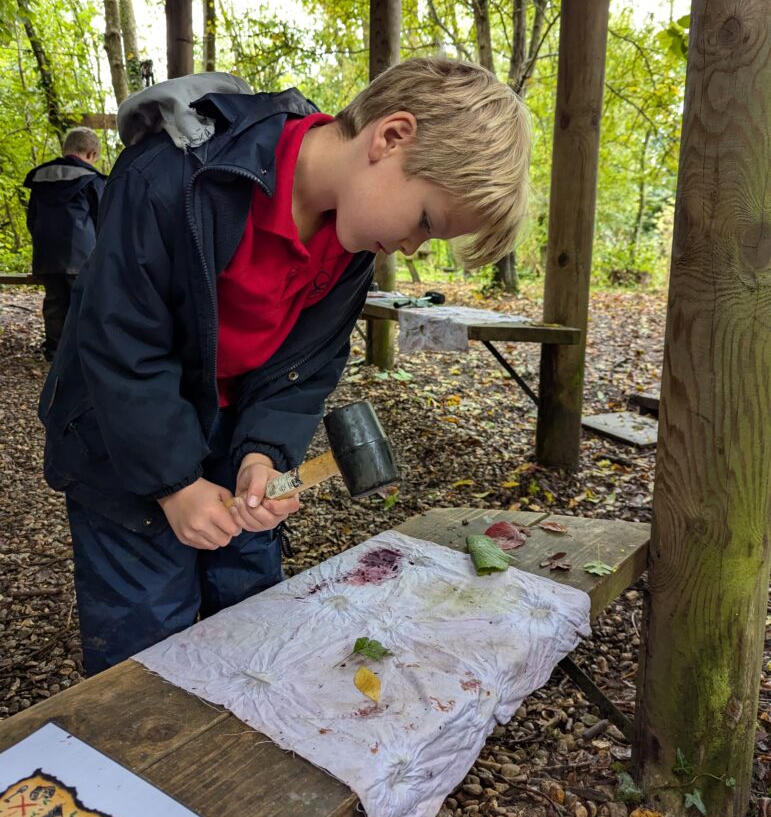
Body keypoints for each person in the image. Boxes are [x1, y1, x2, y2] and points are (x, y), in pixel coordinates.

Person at [38, 58, 532, 675]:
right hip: (120, 443)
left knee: (251, 614)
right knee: (144, 635)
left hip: (230, 426)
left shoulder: (352, 241)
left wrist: (263, 452)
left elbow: (309, 361)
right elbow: (120, 342)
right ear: (391, 136)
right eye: (426, 221)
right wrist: (175, 483)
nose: (412, 247)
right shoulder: (174, 177)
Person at [24, 127, 107, 361]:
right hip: (82, 254)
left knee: (54, 302)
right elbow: (102, 219)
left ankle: (55, 351)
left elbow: (33, 218)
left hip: (46, 254)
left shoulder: (40, 178)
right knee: (84, 302)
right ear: (91, 154)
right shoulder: (92, 180)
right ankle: (84, 353)